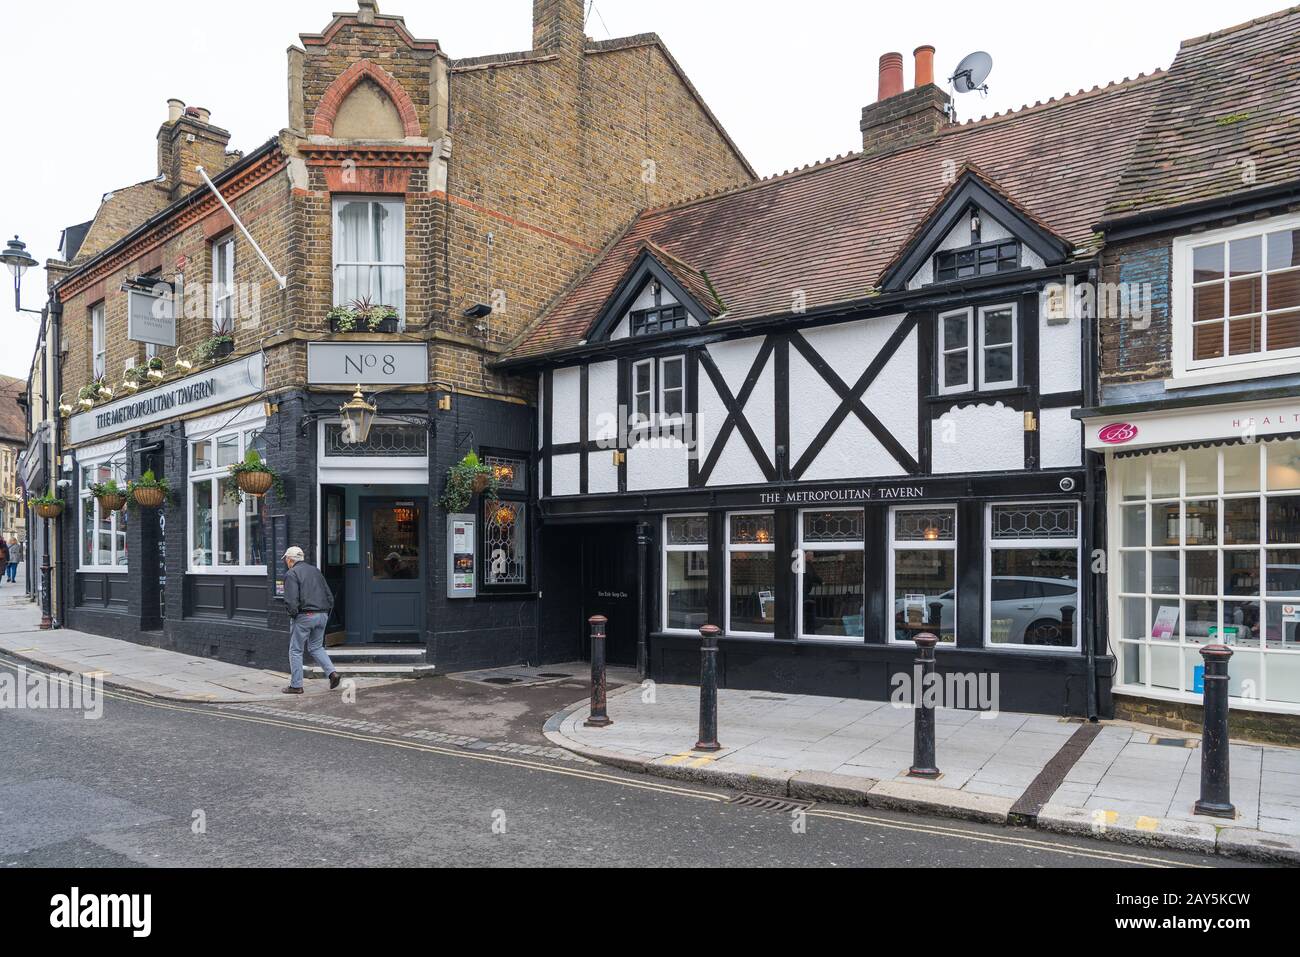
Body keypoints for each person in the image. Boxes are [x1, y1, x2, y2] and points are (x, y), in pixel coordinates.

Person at [281, 546, 341, 694]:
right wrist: (326, 612)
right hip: (322, 615)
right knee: (316, 647)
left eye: (286, 560)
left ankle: (296, 686)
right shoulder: (315, 570)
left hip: (305, 616)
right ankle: (332, 674)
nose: (286, 563)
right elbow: (328, 594)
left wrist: (294, 615)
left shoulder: (291, 573)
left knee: (295, 650)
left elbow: (291, 600)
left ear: (290, 560)